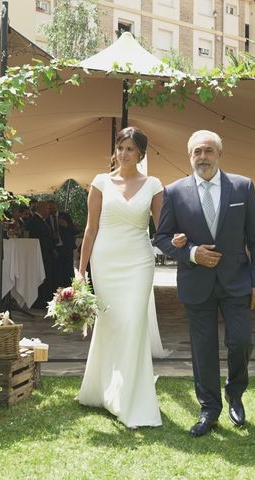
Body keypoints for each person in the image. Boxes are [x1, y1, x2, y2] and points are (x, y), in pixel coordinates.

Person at [154, 130, 255, 437]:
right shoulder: (174, 192)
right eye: (196, 152)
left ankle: (235, 392)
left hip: (237, 281)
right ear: (189, 157)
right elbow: (162, 238)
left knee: (242, 341)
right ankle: (209, 409)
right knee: (202, 350)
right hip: (196, 282)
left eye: (207, 151)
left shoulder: (242, 187)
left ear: (219, 154)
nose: (202, 157)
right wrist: (190, 251)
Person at [76, 126, 165, 428]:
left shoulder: (154, 184)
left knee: (132, 323)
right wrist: (81, 270)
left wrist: (181, 243)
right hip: (106, 260)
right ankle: (103, 389)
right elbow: (91, 229)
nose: (124, 153)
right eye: (120, 147)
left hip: (139, 261)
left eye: (130, 148)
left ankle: (128, 397)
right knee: (112, 324)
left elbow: (161, 228)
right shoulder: (101, 182)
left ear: (141, 152)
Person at [25, 201, 55, 309]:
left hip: (46, 253)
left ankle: (45, 299)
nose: (49, 211)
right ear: (41, 209)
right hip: (39, 254)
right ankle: (40, 301)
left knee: (46, 276)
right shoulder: (34, 221)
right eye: (47, 209)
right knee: (40, 277)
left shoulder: (43, 221)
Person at [56, 211, 78, 288]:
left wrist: (67, 226)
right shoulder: (49, 218)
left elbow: (75, 231)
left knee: (69, 268)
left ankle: (70, 286)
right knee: (59, 269)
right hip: (57, 248)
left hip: (67, 247)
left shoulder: (65, 216)